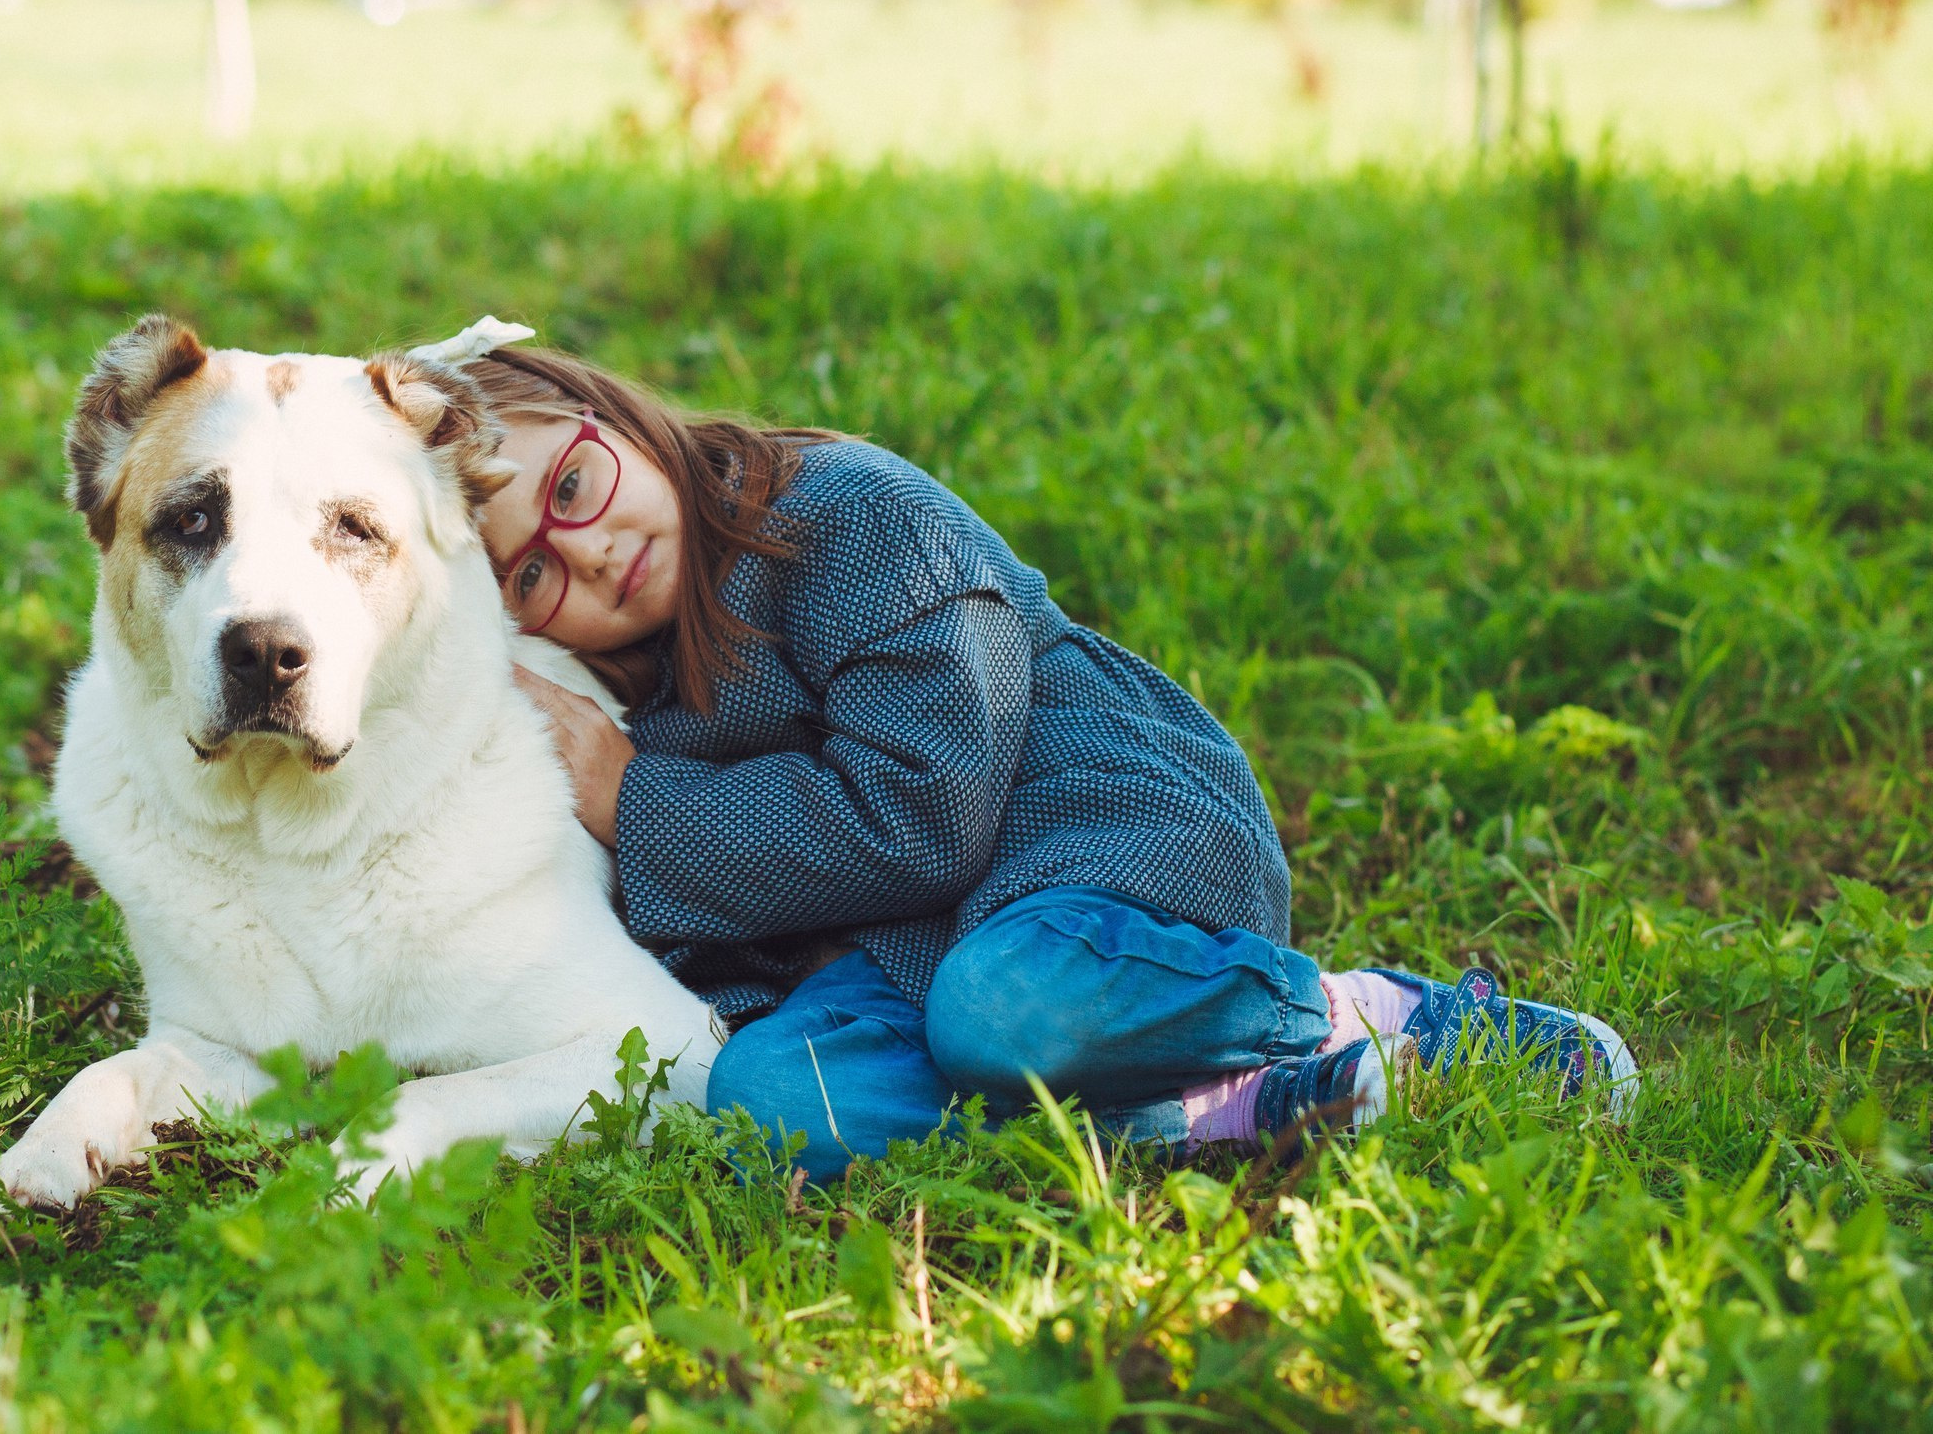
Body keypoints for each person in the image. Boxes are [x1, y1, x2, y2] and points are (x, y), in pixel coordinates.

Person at [448, 335, 1638, 1177]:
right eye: (533, 575)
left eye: (574, 485)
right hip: (913, 950)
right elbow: (713, 944)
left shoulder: (839, 515)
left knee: (1007, 1006)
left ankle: (1367, 1017)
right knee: (774, 1105)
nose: (589, 551)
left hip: (1094, 830)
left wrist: (631, 799)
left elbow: (923, 814)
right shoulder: (630, 701)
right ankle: (1199, 1110)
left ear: (607, 412)